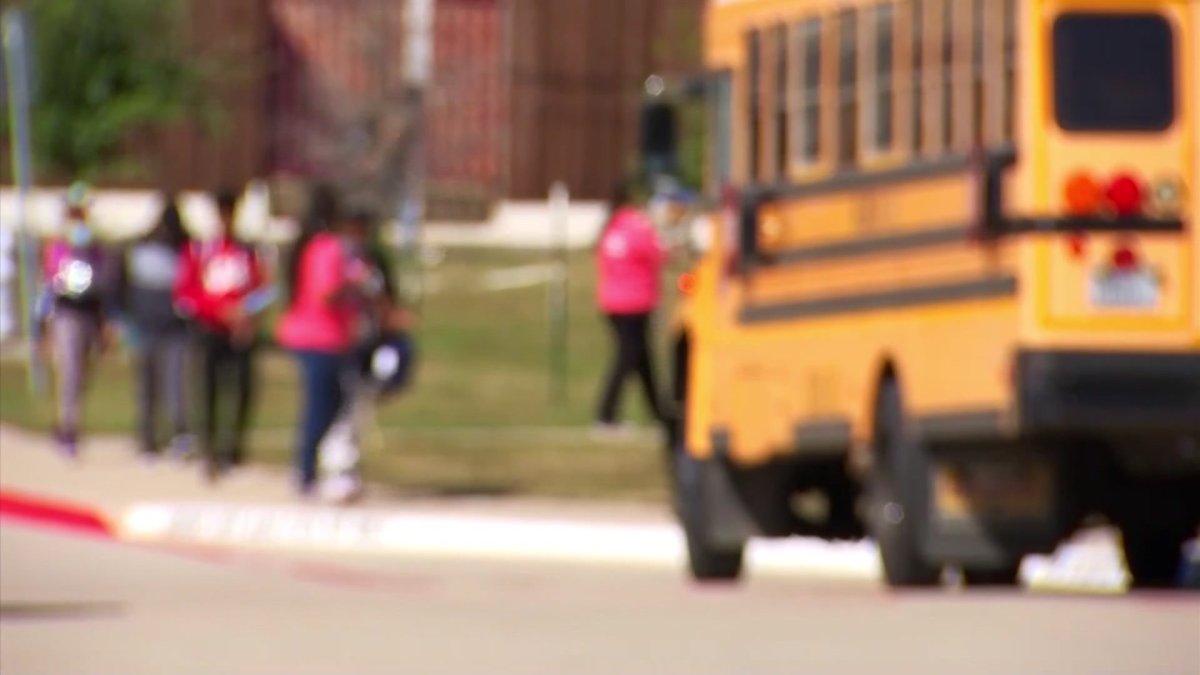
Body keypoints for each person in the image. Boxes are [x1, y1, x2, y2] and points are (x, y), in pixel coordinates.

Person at [315, 207, 414, 503]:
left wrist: (391, 316)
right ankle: (335, 470)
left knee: (360, 408)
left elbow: (386, 298)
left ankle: (350, 470)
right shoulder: (338, 258)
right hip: (343, 342)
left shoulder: (374, 262)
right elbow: (327, 295)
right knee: (343, 407)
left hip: (369, 342)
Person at [174, 187, 271, 480]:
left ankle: (233, 448)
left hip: (239, 330)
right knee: (207, 389)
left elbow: (262, 289)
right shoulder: (199, 250)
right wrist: (219, 311)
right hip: (209, 328)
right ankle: (208, 449)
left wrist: (247, 315)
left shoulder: (247, 252)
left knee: (242, 388)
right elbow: (185, 293)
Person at [276, 186, 357, 498]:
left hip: (305, 333)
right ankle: (305, 470)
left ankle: (309, 468)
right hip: (321, 336)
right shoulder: (329, 247)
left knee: (327, 402)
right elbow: (327, 292)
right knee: (322, 405)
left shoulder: (306, 245)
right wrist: (352, 287)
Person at [35, 184, 120, 457]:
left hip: (90, 314)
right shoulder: (57, 249)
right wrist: (42, 329)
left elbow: (105, 289)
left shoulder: (96, 252)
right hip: (66, 314)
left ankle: (68, 420)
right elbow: (48, 289)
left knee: (83, 373)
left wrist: (107, 324)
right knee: (69, 370)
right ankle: (68, 428)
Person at [118, 194, 194, 461]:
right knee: (148, 387)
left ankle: (178, 436)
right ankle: (148, 440)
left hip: (174, 330)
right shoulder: (141, 248)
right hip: (146, 327)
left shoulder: (185, 250)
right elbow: (125, 287)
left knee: (174, 388)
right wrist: (125, 320)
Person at [594, 178, 669, 433]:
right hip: (635, 303)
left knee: (643, 361)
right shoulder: (636, 226)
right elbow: (659, 253)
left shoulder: (610, 226)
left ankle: (658, 415)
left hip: (613, 303)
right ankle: (606, 415)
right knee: (627, 359)